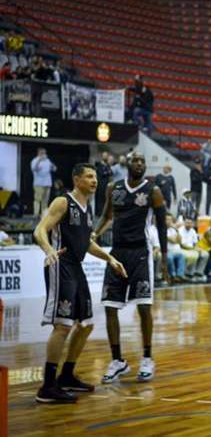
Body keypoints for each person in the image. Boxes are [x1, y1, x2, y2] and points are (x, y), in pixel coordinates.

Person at [32, 164, 125, 403]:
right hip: (61, 265)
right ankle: (48, 386)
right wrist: (48, 249)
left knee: (86, 325)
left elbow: (87, 244)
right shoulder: (63, 202)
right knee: (62, 326)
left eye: (95, 176)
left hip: (76, 267)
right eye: (89, 176)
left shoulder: (87, 209)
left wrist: (110, 258)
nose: (95, 180)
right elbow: (40, 230)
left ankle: (66, 376)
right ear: (77, 179)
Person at [92, 152, 168, 384]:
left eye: (143, 161)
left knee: (144, 307)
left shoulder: (153, 191)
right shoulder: (113, 188)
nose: (139, 164)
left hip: (141, 253)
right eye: (135, 160)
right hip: (117, 252)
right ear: (127, 164)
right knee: (110, 307)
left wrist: (164, 257)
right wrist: (93, 234)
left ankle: (147, 358)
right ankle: (117, 361)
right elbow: (106, 216)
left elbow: (163, 226)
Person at [179, 217, 208, 282]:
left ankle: (198, 273)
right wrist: (193, 249)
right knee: (194, 254)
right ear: (184, 223)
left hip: (192, 248)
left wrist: (198, 248)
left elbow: (195, 243)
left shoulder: (193, 231)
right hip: (183, 249)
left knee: (205, 254)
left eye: (190, 223)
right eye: (187, 223)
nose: (189, 224)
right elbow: (182, 245)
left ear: (193, 224)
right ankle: (189, 273)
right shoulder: (180, 230)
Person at [31, 147, 56, 218]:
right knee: (37, 199)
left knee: (45, 200)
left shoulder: (47, 161)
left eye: (45, 153)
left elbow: (54, 169)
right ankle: (36, 214)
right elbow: (34, 169)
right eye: (42, 153)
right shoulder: (35, 160)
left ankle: (43, 214)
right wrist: (39, 160)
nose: (44, 154)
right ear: (38, 153)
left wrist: (52, 165)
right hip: (39, 183)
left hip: (47, 183)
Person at [94, 151, 113, 216]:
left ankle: (104, 213)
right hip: (100, 185)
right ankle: (98, 213)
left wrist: (108, 171)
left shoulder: (108, 165)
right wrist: (107, 172)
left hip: (106, 185)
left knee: (106, 199)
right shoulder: (98, 164)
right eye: (104, 155)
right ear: (102, 156)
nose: (105, 157)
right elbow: (102, 173)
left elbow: (111, 173)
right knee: (99, 199)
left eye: (106, 155)